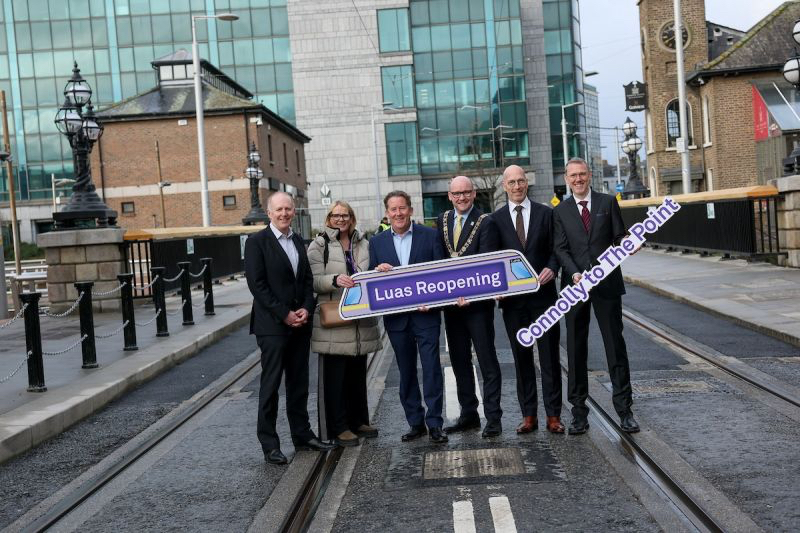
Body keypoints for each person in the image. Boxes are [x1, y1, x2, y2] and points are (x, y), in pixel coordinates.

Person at [244, 191, 337, 465]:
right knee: (271, 385)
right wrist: (284, 314)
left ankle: (302, 435)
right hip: (272, 326)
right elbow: (257, 285)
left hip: (300, 323)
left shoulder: (297, 240)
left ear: (294, 211)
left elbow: (306, 280)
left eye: (288, 209)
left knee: (299, 383)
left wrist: (306, 308)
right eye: (279, 209)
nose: (284, 213)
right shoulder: (256, 242)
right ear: (269, 213)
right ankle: (270, 444)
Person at [553, 158, 639, 435]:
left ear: (589, 175)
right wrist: (575, 273)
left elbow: (618, 237)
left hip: (607, 284)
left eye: (582, 174)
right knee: (576, 349)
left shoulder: (607, 202)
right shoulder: (560, 211)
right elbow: (560, 249)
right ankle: (579, 413)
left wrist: (627, 243)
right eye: (573, 176)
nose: (578, 179)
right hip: (575, 286)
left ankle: (625, 411)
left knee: (615, 345)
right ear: (567, 179)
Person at [368, 191, 448, 444]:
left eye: (402, 208)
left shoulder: (430, 235)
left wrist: (433, 300)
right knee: (406, 371)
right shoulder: (377, 242)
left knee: (432, 369)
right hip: (397, 319)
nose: (398, 213)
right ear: (387, 213)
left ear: (411, 210)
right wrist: (377, 271)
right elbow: (371, 281)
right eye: (393, 209)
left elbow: (441, 273)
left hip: (427, 316)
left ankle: (435, 424)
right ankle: (415, 422)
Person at [491, 165, 565, 435]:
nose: (517, 186)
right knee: (521, 359)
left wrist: (552, 268)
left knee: (550, 358)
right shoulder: (495, 220)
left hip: (544, 299)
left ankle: (554, 415)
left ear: (527, 183)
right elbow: (492, 259)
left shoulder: (546, 213)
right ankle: (528, 415)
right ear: (504, 186)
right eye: (511, 182)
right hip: (513, 304)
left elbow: (557, 249)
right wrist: (495, 286)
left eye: (520, 181)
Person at [307, 201, 382, 448]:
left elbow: (370, 272)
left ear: (352, 218)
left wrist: (379, 271)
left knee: (357, 374)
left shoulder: (364, 243)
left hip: (360, 316)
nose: (341, 219)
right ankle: (339, 427)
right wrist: (334, 279)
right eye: (336, 215)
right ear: (329, 218)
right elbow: (312, 281)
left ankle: (358, 420)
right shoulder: (319, 245)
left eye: (345, 215)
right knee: (336, 378)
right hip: (335, 319)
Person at [436, 176, 503, 438]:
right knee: (459, 360)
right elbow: (437, 259)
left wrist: (470, 293)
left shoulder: (486, 222)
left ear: (474, 194)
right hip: (452, 305)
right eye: (457, 193)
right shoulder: (442, 220)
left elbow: (487, 262)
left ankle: (493, 418)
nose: (461, 197)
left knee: (487, 360)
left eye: (466, 192)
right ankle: (469, 414)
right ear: (449, 196)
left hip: (478, 305)